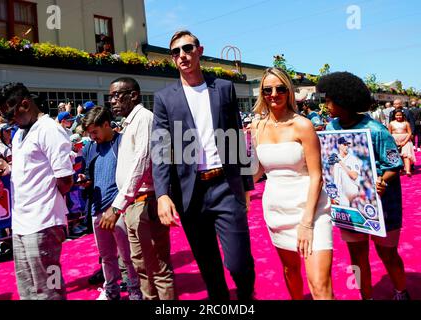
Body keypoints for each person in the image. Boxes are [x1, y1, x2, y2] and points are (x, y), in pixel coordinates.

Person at [152, 30, 255, 300]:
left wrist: (246, 184)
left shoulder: (223, 87)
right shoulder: (164, 98)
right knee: (208, 266)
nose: (182, 55)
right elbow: (161, 148)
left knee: (238, 262)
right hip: (190, 193)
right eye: (176, 52)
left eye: (187, 49)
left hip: (226, 186)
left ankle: (247, 297)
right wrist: (162, 194)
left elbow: (235, 134)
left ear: (199, 50)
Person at [317, 71, 410, 300]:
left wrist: (382, 180)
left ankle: (401, 292)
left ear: (344, 100)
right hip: (348, 207)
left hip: (382, 206)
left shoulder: (376, 130)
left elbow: (393, 164)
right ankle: (365, 296)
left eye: (329, 99)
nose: (326, 104)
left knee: (387, 254)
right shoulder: (331, 129)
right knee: (357, 257)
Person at [251, 67, 333, 300]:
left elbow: (317, 176)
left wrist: (307, 223)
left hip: (311, 211)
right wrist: (232, 184)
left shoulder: (303, 125)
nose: (274, 94)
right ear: (262, 93)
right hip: (276, 210)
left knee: (319, 285)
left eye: (280, 88)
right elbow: (258, 171)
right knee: (290, 270)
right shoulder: (257, 127)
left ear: (289, 91)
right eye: (268, 89)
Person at [0, 83, 74, 300]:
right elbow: (29, 169)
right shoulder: (19, 134)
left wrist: (45, 200)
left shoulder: (50, 130)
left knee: (50, 289)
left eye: (11, 116)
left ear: (25, 104)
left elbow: (65, 180)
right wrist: (9, 169)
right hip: (20, 224)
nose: (10, 122)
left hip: (44, 224)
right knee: (27, 290)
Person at [106, 77, 175, 300]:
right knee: (142, 267)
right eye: (111, 97)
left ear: (134, 95)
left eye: (117, 95)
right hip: (133, 206)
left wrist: (117, 206)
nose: (112, 101)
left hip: (146, 202)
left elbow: (142, 162)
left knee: (158, 269)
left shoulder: (144, 118)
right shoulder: (129, 123)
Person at [80, 106, 142, 300]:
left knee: (128, 257)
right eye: (89, 133)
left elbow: (131, 177)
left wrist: (117, 207)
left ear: (107, 125)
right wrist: (85, 179)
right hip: (96, 210)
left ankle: (134, 292)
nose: (92, 137)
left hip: (119, 210)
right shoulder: (90, 147)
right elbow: (91, 175)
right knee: (106, 257)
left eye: (95, 132)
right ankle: (111, 291)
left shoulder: (122, 143)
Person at [329, 137, 362, 206]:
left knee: (340, 169)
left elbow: (354, 176)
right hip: (342, 192)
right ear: (339, 145)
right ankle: (336, 198)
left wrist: (340, 162)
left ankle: (336, 197)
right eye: (344, 144)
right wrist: (331, 166)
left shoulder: (352, 159)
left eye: (347, 145)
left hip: (352, 188)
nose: (346, 146)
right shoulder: (337, 157)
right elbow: (333, 175)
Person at [388, 110, 416, 177]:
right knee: (398, 156)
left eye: (400, 115)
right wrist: (393, 142)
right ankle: (400, 170)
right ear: (394, 116)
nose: (398, 117)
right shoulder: (391, 123)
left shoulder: (406, 123)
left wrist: (404, 142)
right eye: (397, 115)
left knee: (406, 155)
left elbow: (409, 133)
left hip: (406, 141)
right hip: (395, 141)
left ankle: (408, 171)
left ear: (403, 115)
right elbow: (389, 133)